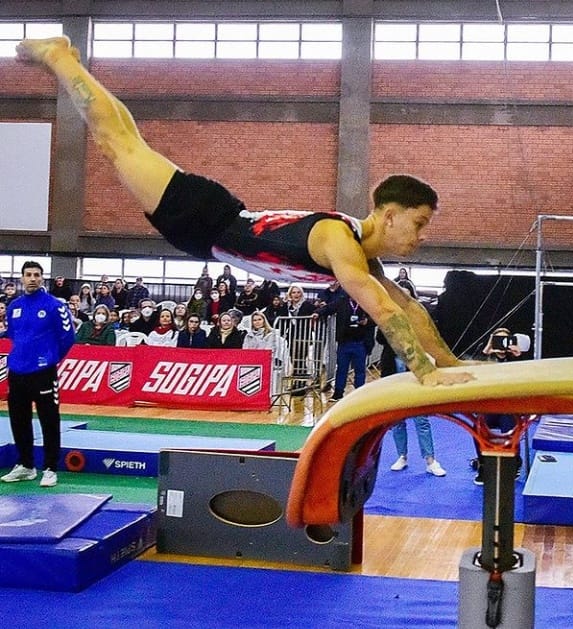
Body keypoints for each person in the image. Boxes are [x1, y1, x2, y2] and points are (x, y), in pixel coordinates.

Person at [15, 36, 473, 388]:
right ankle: (60, 58)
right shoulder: (340, 241)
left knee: (125, 143)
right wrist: (423, 371)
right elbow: (382, 309)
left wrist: (450, 362)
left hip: (206, 234)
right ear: (389, 214)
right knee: (118, 144)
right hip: (206, 217)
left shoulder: (361, 257)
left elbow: (408, 307)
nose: (420, 237)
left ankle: (66, 59)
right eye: (419, 223)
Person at [1, 260, 75, 488]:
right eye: (28, 274)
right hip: (17, 371)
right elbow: (15, 336)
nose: (32, 278)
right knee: (18, 419)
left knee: (49, 420)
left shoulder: (55, 305)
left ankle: (51, 468)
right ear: (22, 278)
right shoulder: (14, 306)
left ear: (43, 278)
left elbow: (68, 337)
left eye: (36, 274)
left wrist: (49, 358)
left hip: (44, 372)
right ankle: (26, 465)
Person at [376, 330, 447, 477]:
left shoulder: (414, 320)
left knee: (421, 421)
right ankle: (402, 456)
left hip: (415, 380)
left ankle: (430, 460)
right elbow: (380, 338)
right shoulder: (387, 318)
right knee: (397, 421)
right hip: (393, 380)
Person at [471, 327, 525, 485]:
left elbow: (526, 376)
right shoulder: (486, 359)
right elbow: (472, 368)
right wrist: (487, 349)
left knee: (511, 431)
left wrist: (518, 356)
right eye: (497, 340)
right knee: (478, 429)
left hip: (508, 408)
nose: (501, 344)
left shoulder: (515, 359)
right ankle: (483, 465)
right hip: (489, 407)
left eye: (505, 340)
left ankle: (514, 463)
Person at [316, 291, 373, 402]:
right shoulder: (342, 301)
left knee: (360, 370)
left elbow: (376, 317)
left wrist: (368, 321)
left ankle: (359, 393)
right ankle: (338, 393)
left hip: (361, 342)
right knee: (341, 369)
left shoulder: (367, 302)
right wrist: (318, 313)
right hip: (344, 342)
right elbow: (329, 308)